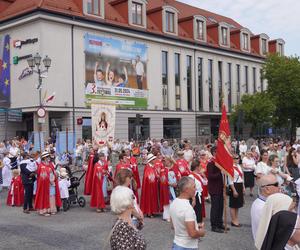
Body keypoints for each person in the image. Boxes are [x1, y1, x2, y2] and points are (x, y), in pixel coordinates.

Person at [169, 176, 205, 250]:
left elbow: (173, 226)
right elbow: (192, 233)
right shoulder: (188, 209)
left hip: (177, 243)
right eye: (194, 187)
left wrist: (195, 225)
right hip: (187, 246)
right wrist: (202, 232)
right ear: (186, 189)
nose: (195, 189)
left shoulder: (174, 203)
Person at [251, 174, 280, 239]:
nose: (279, 187)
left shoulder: (264, 202)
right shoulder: (262, 207)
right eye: (276, 184)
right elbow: (275, 231)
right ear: (267, 189)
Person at [34, 151, 61, 216]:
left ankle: (52, 209)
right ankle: (44, 211)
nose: (48, 158)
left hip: (52, 184)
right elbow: (41, 177)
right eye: (47, 157)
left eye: (48, 156)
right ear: (44, 158)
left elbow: (54, 172)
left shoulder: (51, 164)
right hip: (44, 185)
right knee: (44, 197)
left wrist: (56, 175)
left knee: (52, 196)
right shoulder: (41, 166)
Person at [207, 146, 226, 233]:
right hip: (214, 188)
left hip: (220, 187)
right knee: (215, 207)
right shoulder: (211, 162)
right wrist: (220, 173)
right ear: (214, 152)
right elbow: (210, 176)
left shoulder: (219, 162)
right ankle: (214, 225)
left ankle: (219, 223)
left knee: (220, 206)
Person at [228, 155, 245, 227]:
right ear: (233, 159)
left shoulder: (239, 166)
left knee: (237, 204)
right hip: (234, 185)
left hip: (240, 185)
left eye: (238, 158)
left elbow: (242, 177)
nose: (238, 159)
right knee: (233, 204)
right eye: (236, 158)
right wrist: (234, 190)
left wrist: (243, 186)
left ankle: (236, 218)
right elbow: (230, 180)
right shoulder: (231, 167)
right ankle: (233, 220)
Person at [189, 160, 206, 227]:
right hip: (195, 195)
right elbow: (191, 187)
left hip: (199, 194)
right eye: (200, 166)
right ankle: (195, 224)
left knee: (199, 209)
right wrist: (193, 198)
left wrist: (203, 175)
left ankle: (198, 223)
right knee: (196, 209)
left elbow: (205, 183)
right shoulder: (191, 176)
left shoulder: (198, 175)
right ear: (197, 167)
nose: (201, 167)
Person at [160, 156, 177, 222]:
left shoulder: (173, 168)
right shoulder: (163, 170)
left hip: (174, 187)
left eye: (166, 160)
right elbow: (162, 179)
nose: (165, 162)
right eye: (164, 161)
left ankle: (173, 215)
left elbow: (176, 166)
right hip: (167, 188)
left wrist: (176, 183)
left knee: (173, 202)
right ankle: (166, 216)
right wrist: (170, 184)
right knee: (167, 202)